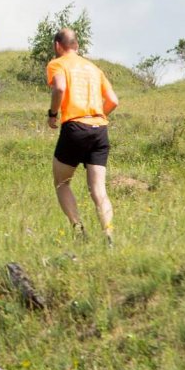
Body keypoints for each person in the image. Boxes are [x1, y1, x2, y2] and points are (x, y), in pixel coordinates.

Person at [46, 28, 120, 245]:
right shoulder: (94, 68)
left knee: (62, 183)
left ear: (58, 46)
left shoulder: (57, 63)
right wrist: (96, 117)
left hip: (75, 127)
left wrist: (52, 114)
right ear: (76, 46)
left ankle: (79, 230)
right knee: (99, 189)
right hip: (99, 128)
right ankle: (108, 234)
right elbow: (113, 100)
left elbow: (59, 88)